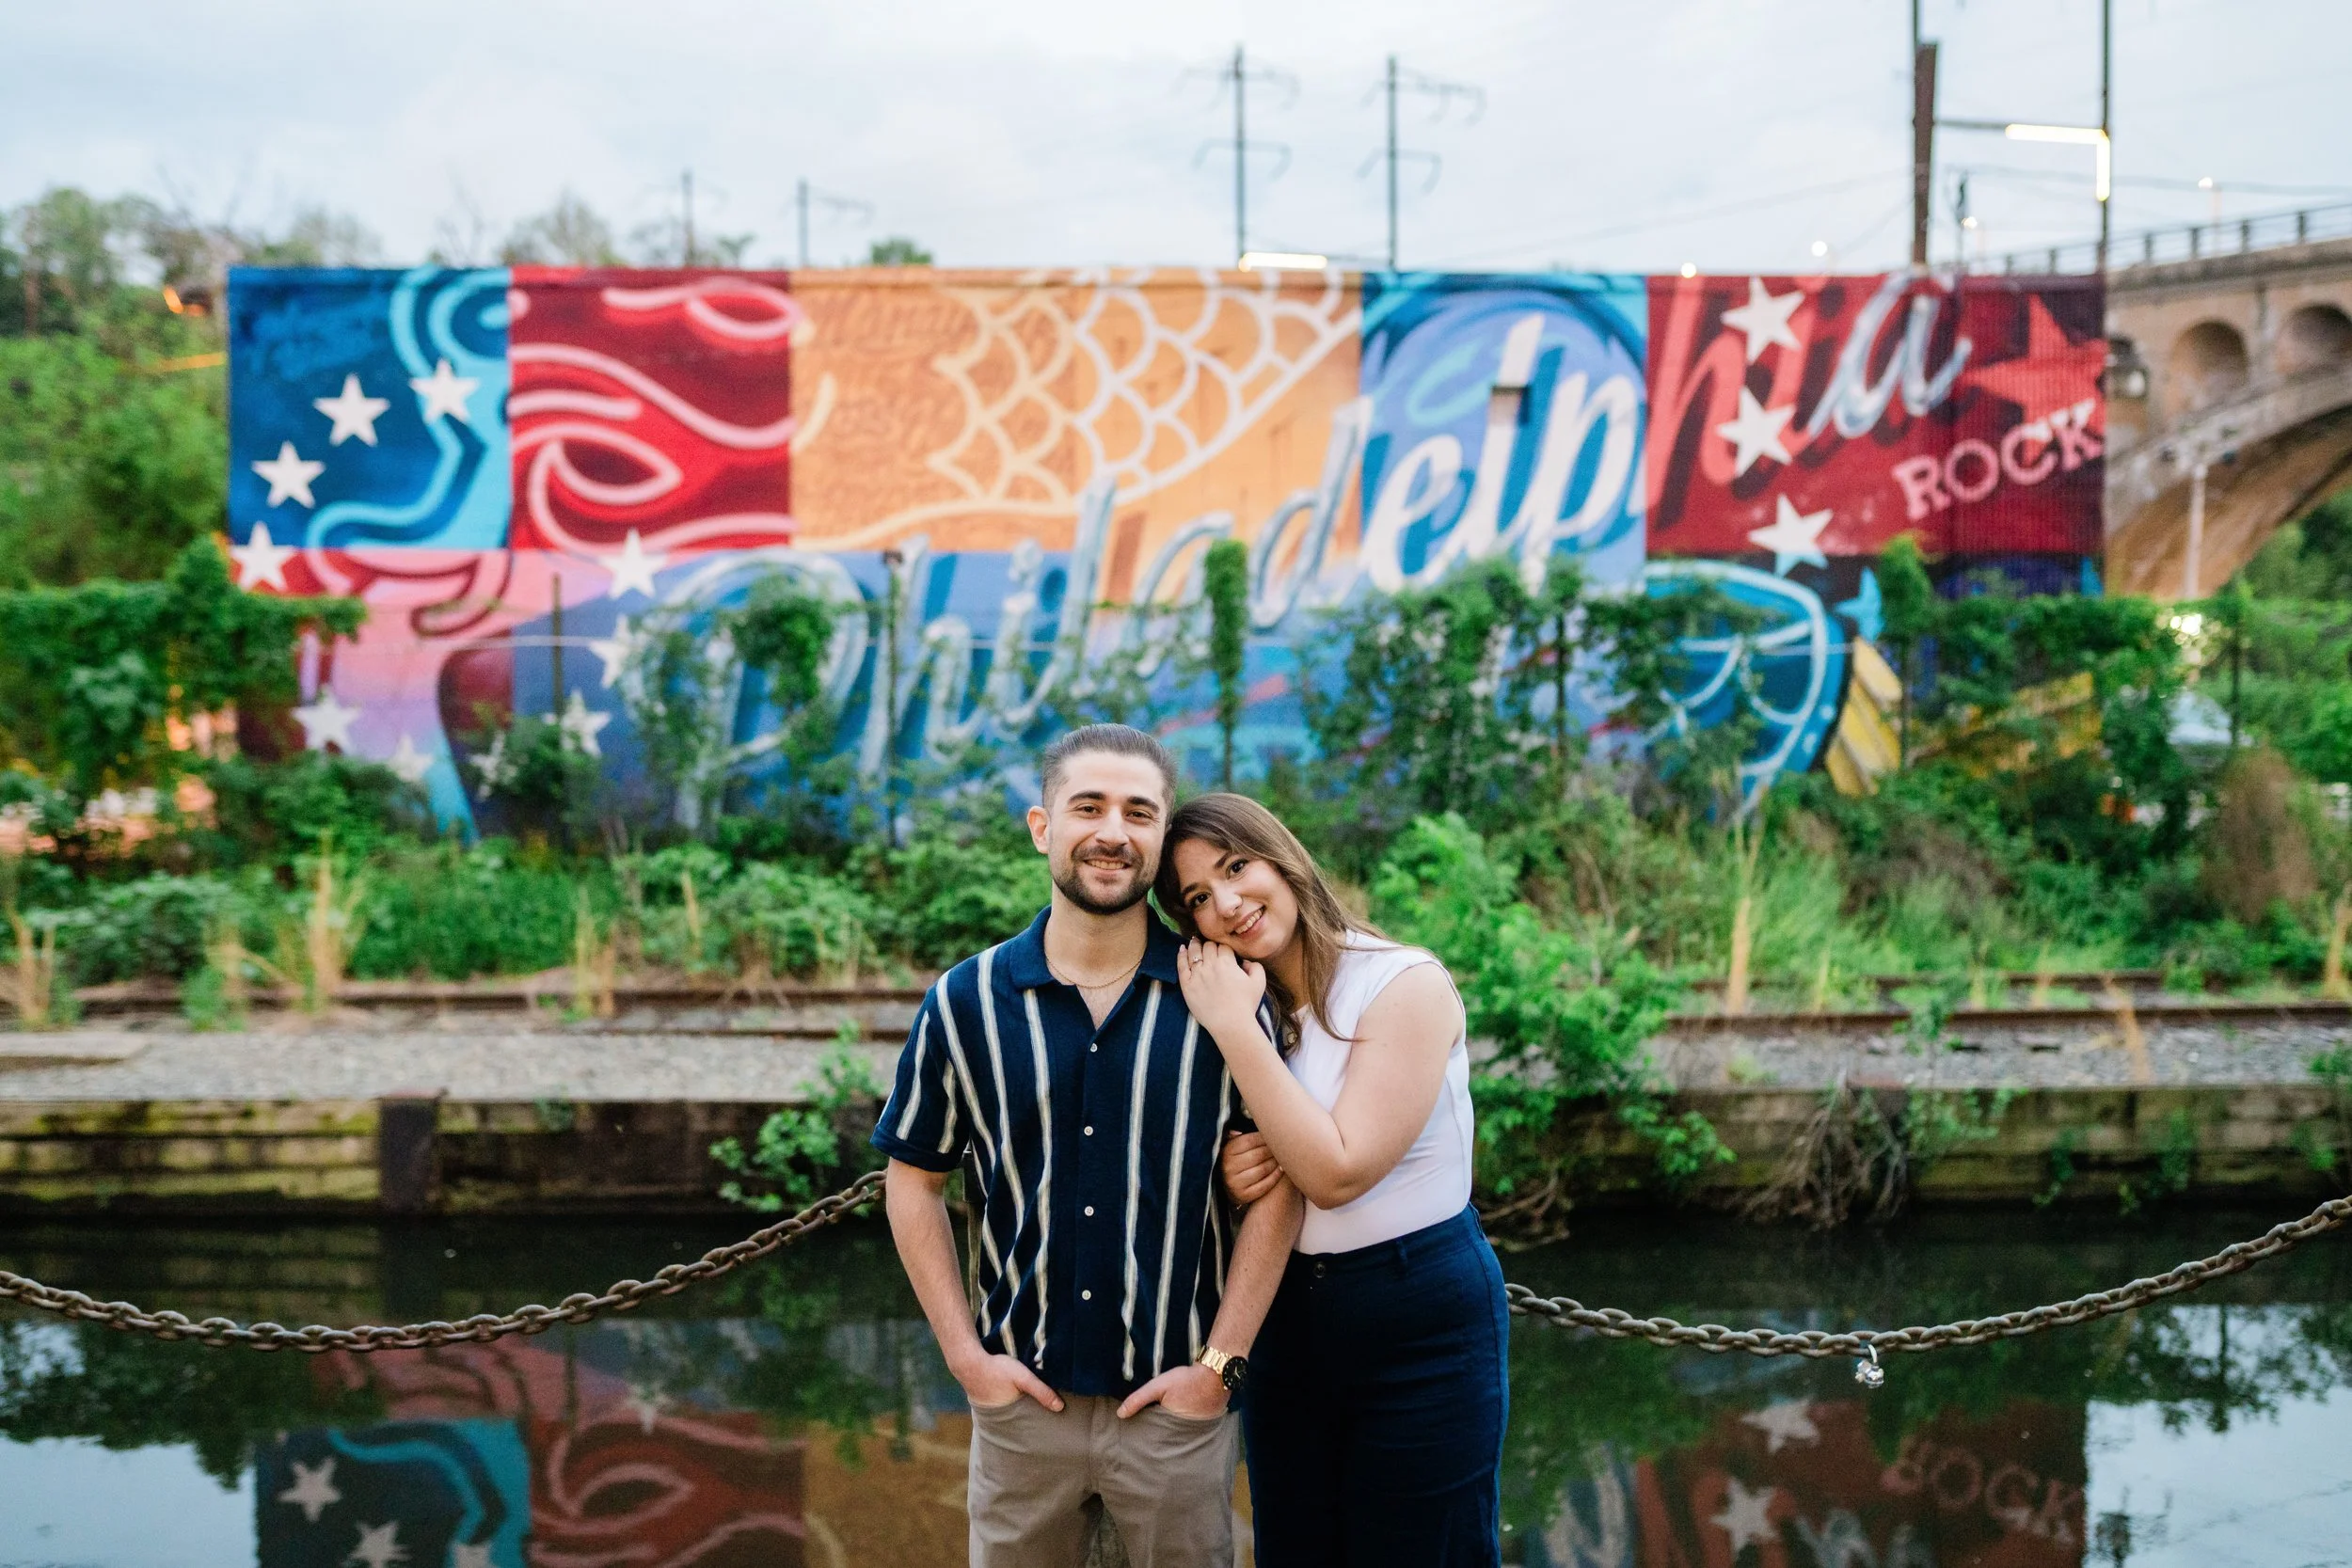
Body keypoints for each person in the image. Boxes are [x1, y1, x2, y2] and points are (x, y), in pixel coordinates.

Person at [872, 727, 1301, 1568]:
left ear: (1162, 833)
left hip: (1178, 1412)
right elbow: (912, 1183)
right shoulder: (966, 1001)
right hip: (1023, 1411)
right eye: (1089, 807)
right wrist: (967, 1360)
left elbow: (1282, 1184)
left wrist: (1219, 1368)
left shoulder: (1218, 995)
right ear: (1043, 826)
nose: (1113, 830)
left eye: (1139, 812)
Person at [1155, 792, 1508, 1568]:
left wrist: (1228, 1027)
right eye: (1198, 900)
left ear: (1282, 856)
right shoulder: (1255, 1003)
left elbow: (1336, 1169)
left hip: (1419, 1319)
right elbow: (1262, 1157)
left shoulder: (1400, 983)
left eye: (1236, 867)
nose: (1229, 904)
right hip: (1289, 1325)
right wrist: (1232, 1168)